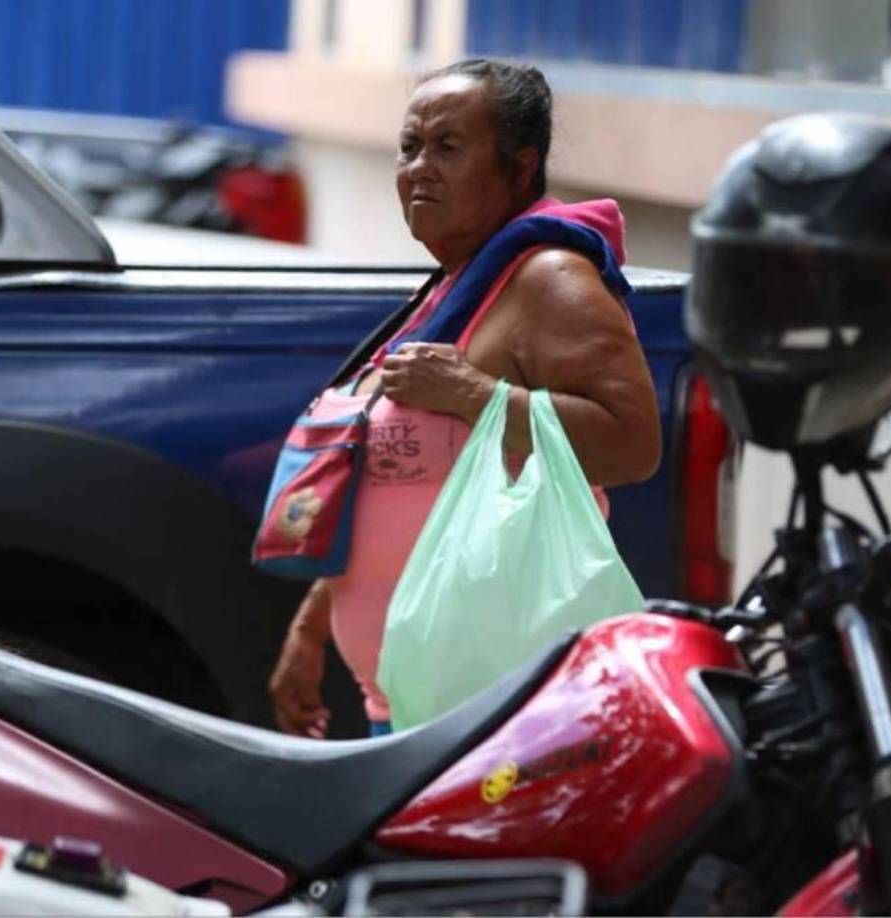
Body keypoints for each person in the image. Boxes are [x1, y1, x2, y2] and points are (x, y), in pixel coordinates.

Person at [268, 59, 662, 738]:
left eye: (449, 147)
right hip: (410, 708)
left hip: (499, 713)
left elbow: (632, 444)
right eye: (410, 147)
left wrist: (472, 395)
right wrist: (314, 625)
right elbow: (401, 486)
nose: (420, 167)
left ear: (518, 169)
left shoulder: (549, 278)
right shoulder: (449, 290)